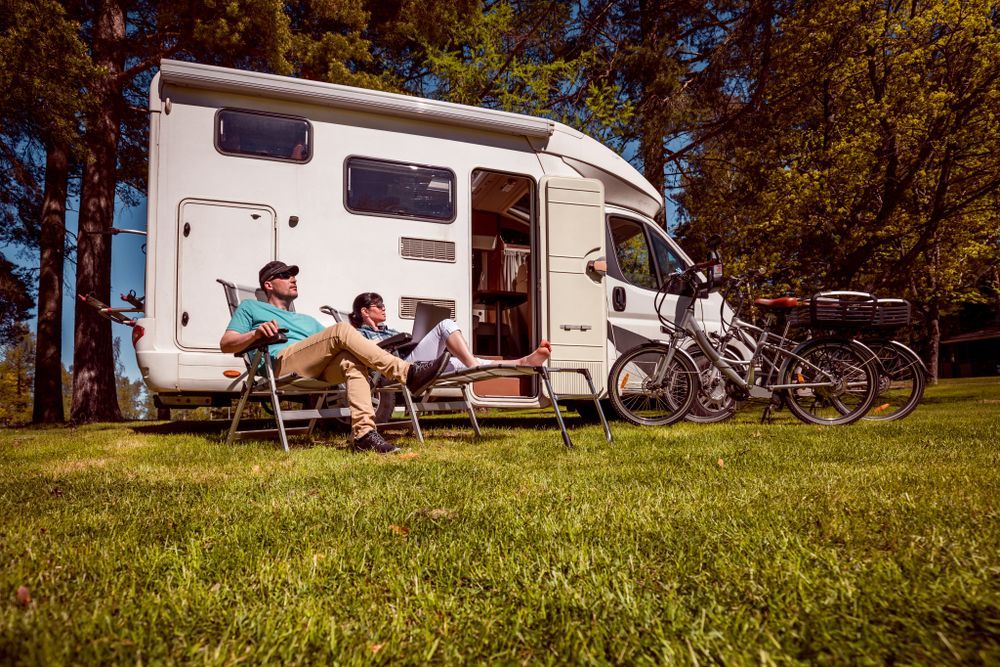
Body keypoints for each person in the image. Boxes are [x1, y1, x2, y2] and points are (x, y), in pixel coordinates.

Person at [220, 261, 451, 454]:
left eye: (293, 275)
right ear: (268, 285)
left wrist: (372, 347)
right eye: (285, 275)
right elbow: (226, 344)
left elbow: (336, 342)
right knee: (341, 330)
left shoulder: (306, 320)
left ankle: (364, 435)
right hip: (280, 362)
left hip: (315, 367)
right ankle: (408, 373)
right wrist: (255, 334)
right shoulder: (251, 307)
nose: (293, 278)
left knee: (352, 361)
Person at [349, 292, 552, 371]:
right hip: (401, 367)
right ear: (365, 311)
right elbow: (368, 351)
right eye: (378, 305)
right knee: (445, 324)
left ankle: (524, 362)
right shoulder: (360, 333)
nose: (384, 308)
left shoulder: (388, 329)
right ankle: (474, 367)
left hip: (413, 359)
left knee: (462, 360)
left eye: (383, 304)